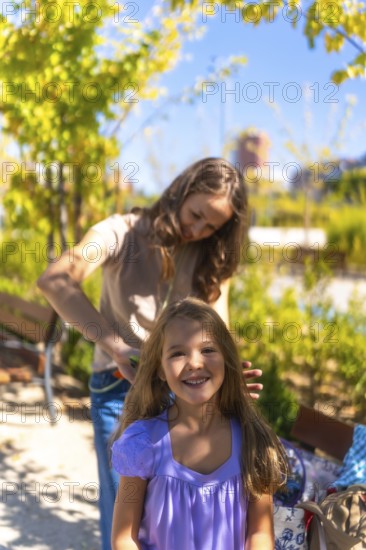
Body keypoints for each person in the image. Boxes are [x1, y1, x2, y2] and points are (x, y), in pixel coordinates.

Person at [37, 157, 263, 550]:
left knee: (178, 525)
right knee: (125, 527)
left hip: (187, 399)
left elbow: (219, 331)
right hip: (120, 389)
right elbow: (54, 281)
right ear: (181, 189)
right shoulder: (119, 233)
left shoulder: (210, 256)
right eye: (195, 215)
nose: (197, 230)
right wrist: (113, 344)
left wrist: (228, 376)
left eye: (211, 226)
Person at [111, 297, 288, 550]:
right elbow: (123, 538)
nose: (194, 363)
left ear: (226, 360)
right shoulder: (142, 443)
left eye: (208, 350)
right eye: (177, 353)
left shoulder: (253, 441)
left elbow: (260, 533)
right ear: (160, 369)